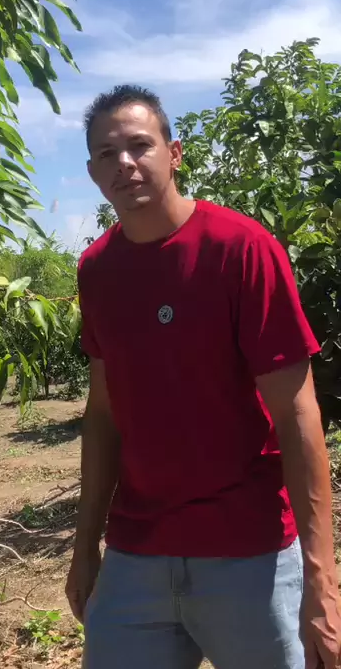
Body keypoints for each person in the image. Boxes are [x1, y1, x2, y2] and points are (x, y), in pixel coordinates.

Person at [65, 84, 341, 669]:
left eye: (140, 145)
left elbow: (297, 415)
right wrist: (85, 546)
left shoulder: (240, 249)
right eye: (107, 153)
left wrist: (323, 580)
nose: (124, 163)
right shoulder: (97, 270)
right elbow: (104, 414)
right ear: (92, 173)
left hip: (249, 554)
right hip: (137, 553)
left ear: (174, 154)